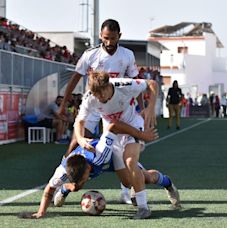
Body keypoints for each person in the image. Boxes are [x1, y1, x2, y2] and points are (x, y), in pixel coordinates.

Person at [57, 19, 144, 203]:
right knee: (75, 143)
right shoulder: (90, 55)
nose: (109, 42)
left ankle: (126, 190)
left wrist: (142, 109)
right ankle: (61, 182)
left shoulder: (127, 55)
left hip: (115, 106)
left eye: (113, 38)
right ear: (100, 36)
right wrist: (64, 102)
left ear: (119, 36)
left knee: (121, 150)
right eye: (106, 38)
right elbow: (75, 78)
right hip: (92, 105)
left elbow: (137, 82)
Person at [20, 121, 180, 219]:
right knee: (76, 187)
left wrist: (141, 134)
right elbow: (48, 190)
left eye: (84, 178)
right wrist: (41, 212)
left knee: (142, 179)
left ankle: (168, 183)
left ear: (88, 169)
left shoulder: (99, 154)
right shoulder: (63, 170)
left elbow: (113, 126)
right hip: (84, 164)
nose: (85, 182)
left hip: (114, 155)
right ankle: (66, 189)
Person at [74, 72, 158, 219]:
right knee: (127, 181)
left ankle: (143, 208)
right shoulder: (90, 97)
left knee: (130, 161)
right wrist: (80, 139)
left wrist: (150, 107)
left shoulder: (122, 85)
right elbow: (79, 121)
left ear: (108, 85)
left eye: (101, 93)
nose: (99, 97)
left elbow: (152, 84)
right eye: (96, 94)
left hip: (133, 125)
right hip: (113, 135)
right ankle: (161, 180)